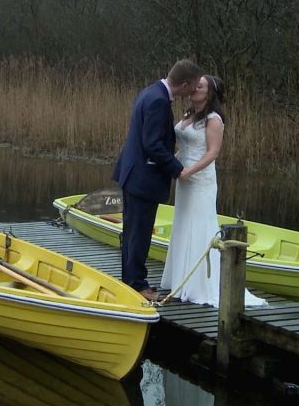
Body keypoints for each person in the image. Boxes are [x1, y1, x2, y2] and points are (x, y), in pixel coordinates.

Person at [160, 75, 266, 307]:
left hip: (200, 180)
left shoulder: (213, 119)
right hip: (183, 177)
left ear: (210, 93)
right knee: (183, 223)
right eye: (195, 84)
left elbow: (212, 153)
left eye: (201, 86)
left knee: (199, 225)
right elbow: (186, 146)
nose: (195, 88)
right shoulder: (189, 115)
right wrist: (174, 165)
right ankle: (181, 278)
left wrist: (189, 171)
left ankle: (200, 284)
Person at [112, 59, 203, 301]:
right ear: (184, 85)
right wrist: (177, 169)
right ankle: (137, 285)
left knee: (133, 232)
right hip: (143, 178)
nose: (193, 92)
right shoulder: (159, 101)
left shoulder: (150, 91)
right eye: (192, 87)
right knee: (139, 233)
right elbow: (151, 144)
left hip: (133, 174)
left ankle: (131, 280)